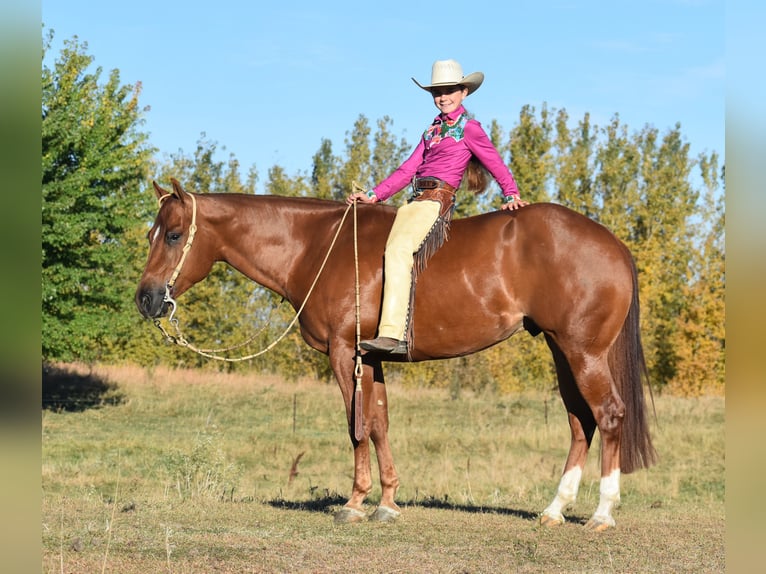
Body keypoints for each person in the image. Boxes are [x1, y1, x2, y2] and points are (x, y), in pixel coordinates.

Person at [347, 59, 529, 354]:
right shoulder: (431, 131)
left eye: (449, 91)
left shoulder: (469, 128)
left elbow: (493, 160)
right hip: (414, 202)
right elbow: (407, 171)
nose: (443, 97)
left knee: (397, 250)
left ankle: (393, 335)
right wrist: (374, 195)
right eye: (437, 92)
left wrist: (510, 193)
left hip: (436, 202)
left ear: (463, 93)